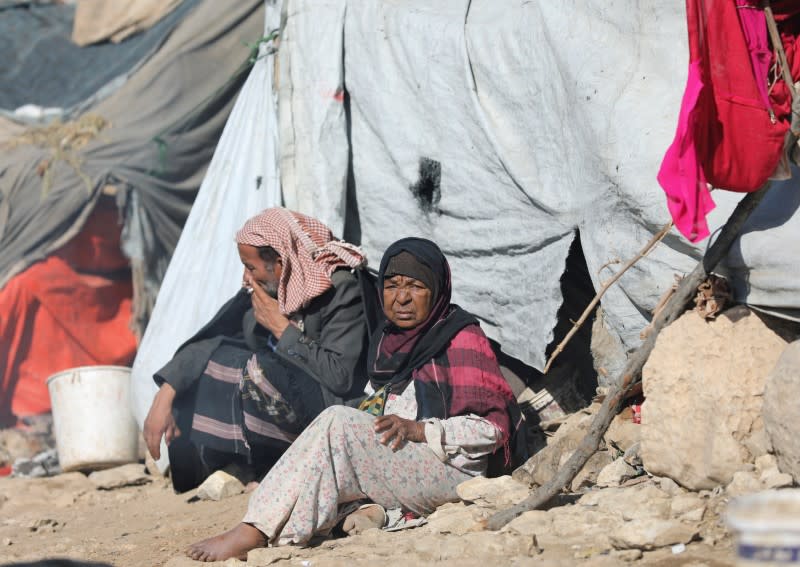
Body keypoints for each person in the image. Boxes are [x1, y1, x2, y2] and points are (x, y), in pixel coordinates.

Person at [186, 237, 523, 562]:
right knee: (334, 439)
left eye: (416, 287)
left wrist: (422, 430)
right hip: (408, 463)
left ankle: (256, 530)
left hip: (452, 472)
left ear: (436, 291)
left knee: (338, 421)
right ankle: (313, 520)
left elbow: (492, 430)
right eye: (391, 286)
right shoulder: (390, 339)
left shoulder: (462, 338)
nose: (401, 298)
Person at [143, 208, 373, 491]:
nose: (246, 277)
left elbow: (341, 377)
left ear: (279, 264)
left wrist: (281, 328)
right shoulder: (269, 288)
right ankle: (229, 465)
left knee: (255, 370)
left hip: (330, 411)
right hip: (290, 402)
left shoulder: (339, 289)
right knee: (211, 363)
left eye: (250, 267)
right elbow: (217, 339)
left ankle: (275, 464)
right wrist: (167, 392)